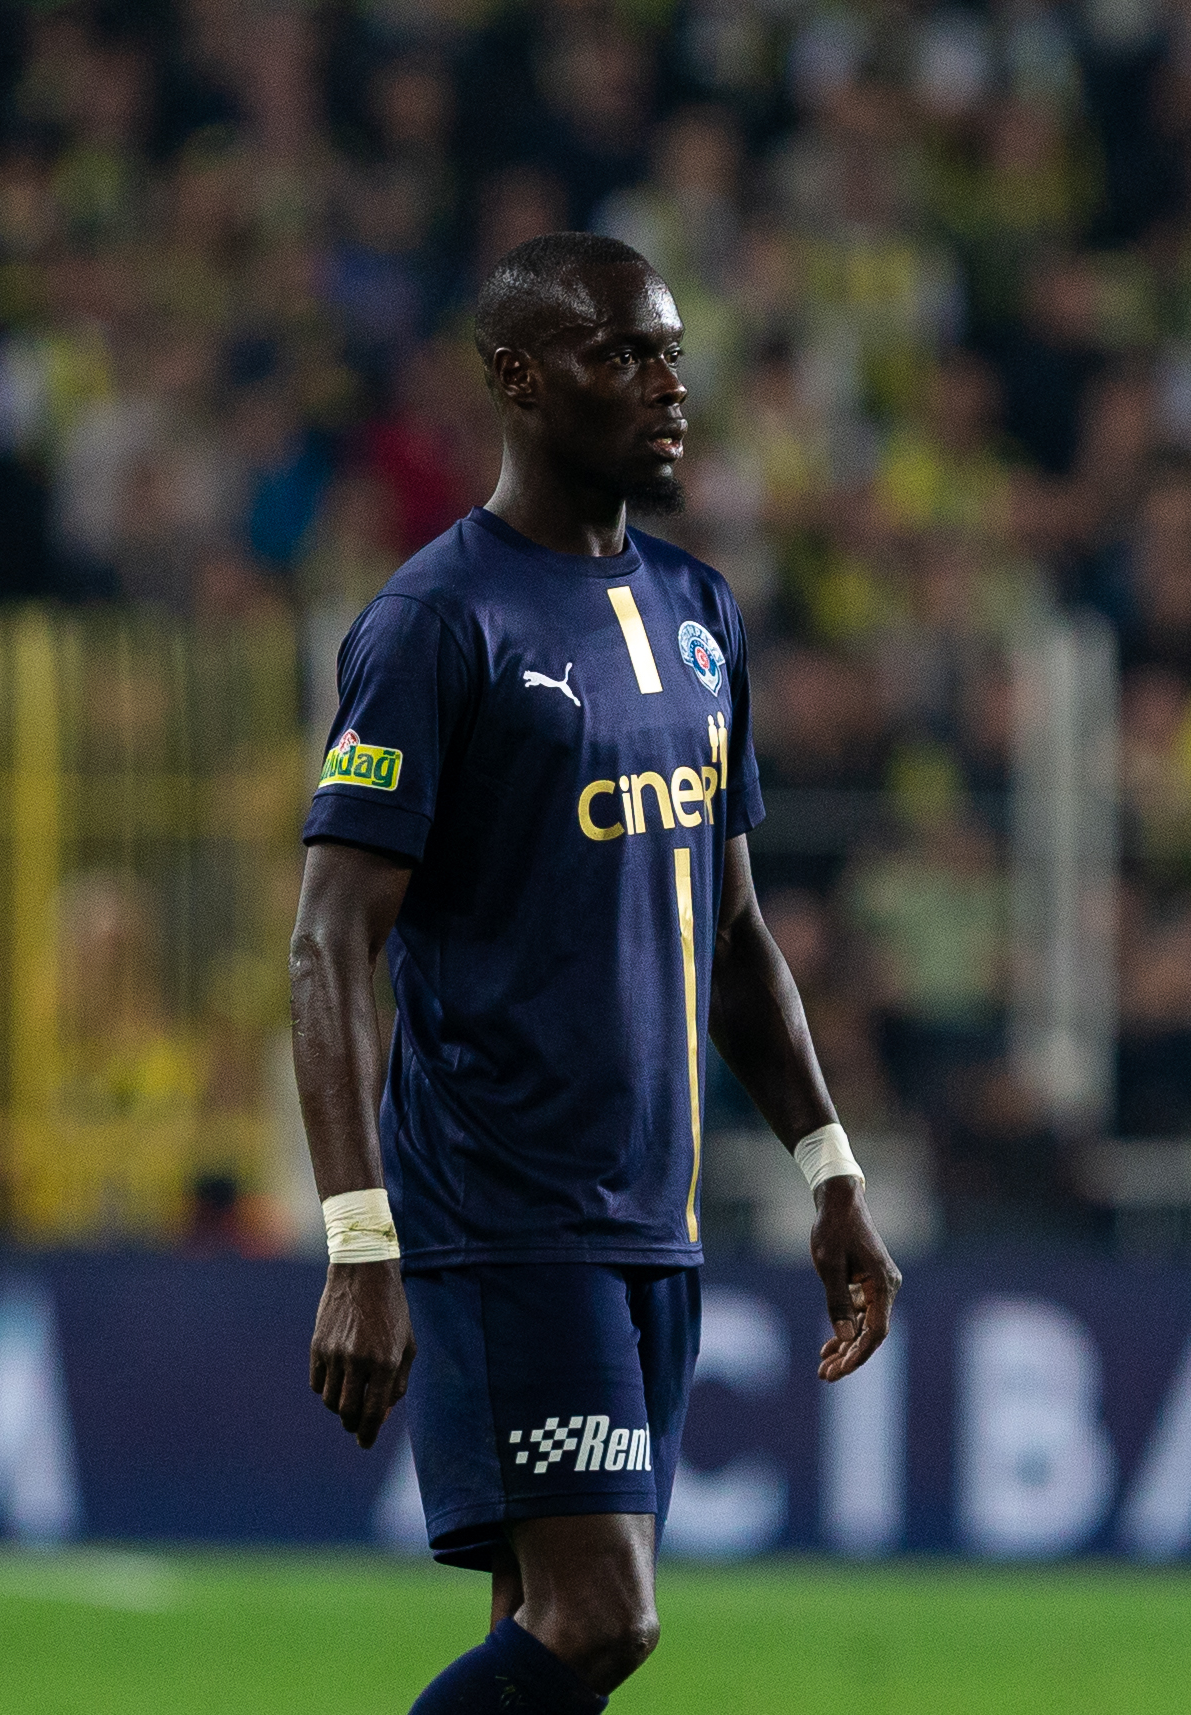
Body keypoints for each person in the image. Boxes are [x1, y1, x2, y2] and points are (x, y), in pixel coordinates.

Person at [289, 232, 901, 1714]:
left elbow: (733, 933)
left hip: (652, 1215)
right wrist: (360, 1241)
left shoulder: (700, 612)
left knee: (548, 1625)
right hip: (504, 1205)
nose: (666, 388)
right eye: (621, 357)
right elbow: (329, 939)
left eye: (672, 356)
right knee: (602, 1619)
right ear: (517, 378)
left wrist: (829, 1170)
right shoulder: (437, 622)